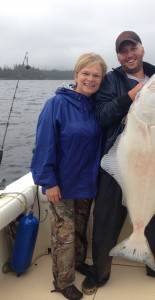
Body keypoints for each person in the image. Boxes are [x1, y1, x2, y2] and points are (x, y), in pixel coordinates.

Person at [82, 31, 155, 295]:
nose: (129, 55)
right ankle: (99, 272)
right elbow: (102, 116)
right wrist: (128, 97)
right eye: (123, 51)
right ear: (118, 56)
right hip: (120, 161)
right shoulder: (110, 81)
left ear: (142, 50)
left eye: (133, 49)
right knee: (106, 218)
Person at [30, 53, 107, 300]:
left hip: (87, 184)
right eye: (86, 73)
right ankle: (63, 281)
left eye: (96, 75)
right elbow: (44, 145)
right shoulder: (56, 104)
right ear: (76, 75)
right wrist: (48, 181)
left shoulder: (96, 107)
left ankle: (77, 262)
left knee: (81, 229)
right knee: (64, 235)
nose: (91, 79)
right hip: (61, 186)